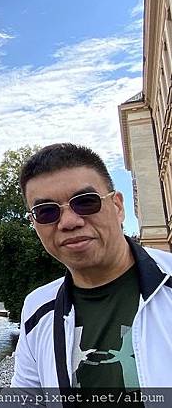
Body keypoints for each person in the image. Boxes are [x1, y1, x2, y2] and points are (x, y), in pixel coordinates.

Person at [13, 143, 172, 390]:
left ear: (118, 207)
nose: (68, 222)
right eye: (46, 212)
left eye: (85, 202)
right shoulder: (38, 308)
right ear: (34, 223)